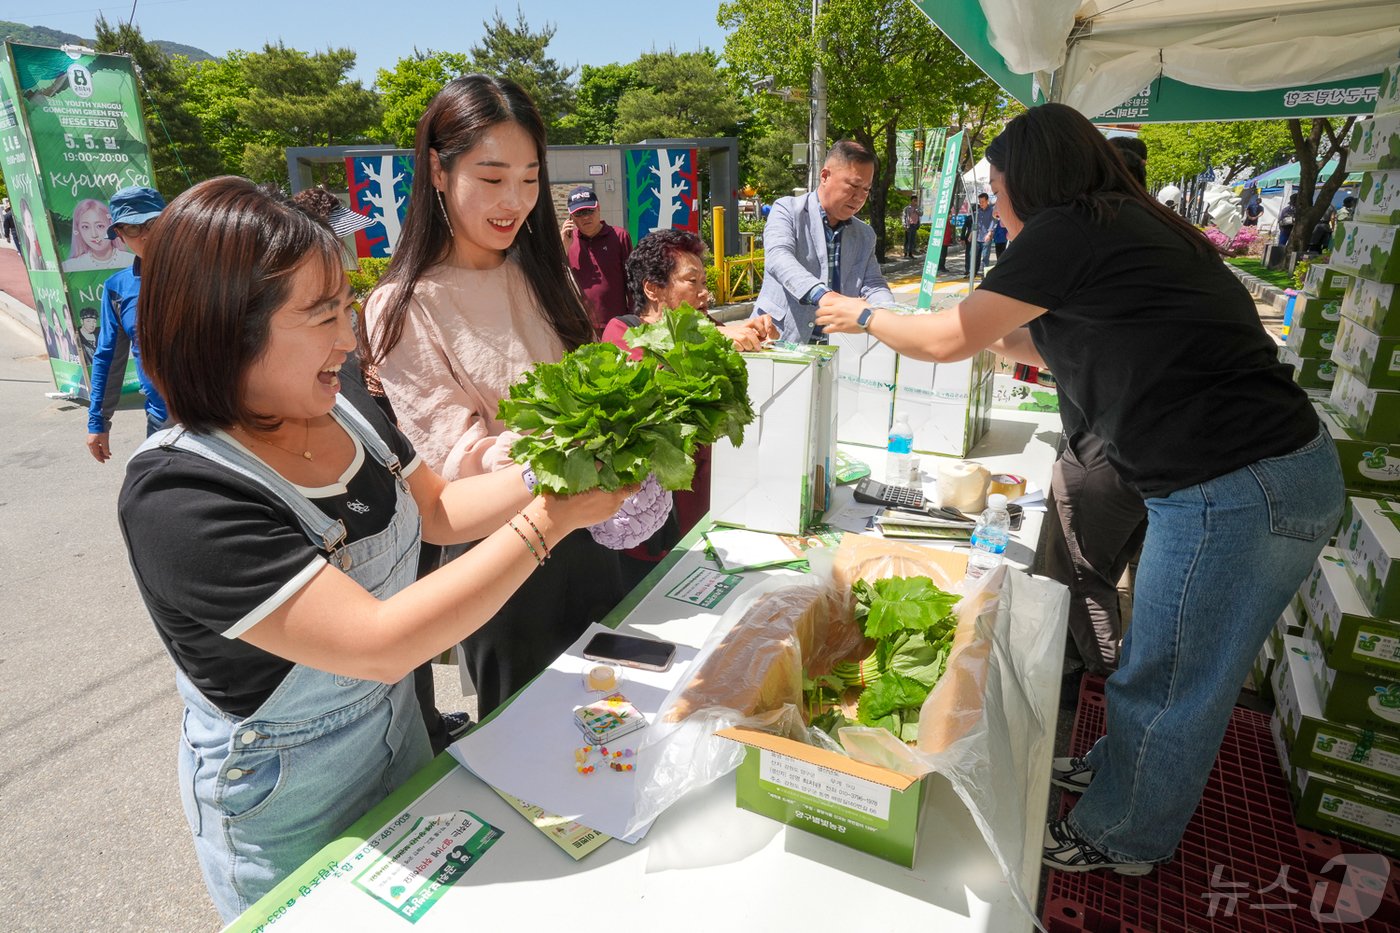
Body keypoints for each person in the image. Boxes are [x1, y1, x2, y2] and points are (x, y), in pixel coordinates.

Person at [817, 102, 1343, 876]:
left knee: (1173, 680)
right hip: (1256, 476)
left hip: (1237, 488)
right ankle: (1117, 774)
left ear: (1031, 181)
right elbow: (1027, 335)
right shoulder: (1122, 223)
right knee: (1156, 665)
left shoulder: (1068, 229)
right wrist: (961, 328)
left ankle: (1122, 835)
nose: (993, 209)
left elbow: (949, 340)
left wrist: (863, 312)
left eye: (995, 193)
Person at [118, 176, 629, 919]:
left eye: (345, 307)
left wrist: (562, 466)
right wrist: (551, 517)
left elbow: (443, 510)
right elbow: (380, 642)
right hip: (287, 812)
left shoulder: (342, 404)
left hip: (404, 751)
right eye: (322, 313)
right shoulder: (180, 496)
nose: (348, 337)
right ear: (226, 325)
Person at [364, 75, 628, 716]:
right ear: (437, 169)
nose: (514, 200)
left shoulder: (541, 272)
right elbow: (450, 477)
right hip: (503, 564)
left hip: (594, 532)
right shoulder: (404, 305)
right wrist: (558, 454)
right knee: (531, 754)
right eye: (491, 177)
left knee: (623, 724)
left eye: (530, 177)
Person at [602, 229, 777, 588]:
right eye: (691, 281)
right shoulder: (622, 331)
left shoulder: (704, 326)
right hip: (655, 520)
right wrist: (714, 337)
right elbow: (651, 385)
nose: (705, 292)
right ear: (653, 289)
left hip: (712, 502)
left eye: (705, 281)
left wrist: (752, 329)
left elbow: (727, 336)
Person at [750, 140, 894, 344]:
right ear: (825, 176)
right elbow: (778, 257)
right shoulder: (787, 210)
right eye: (853, 186)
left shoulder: (865, 234)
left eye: (866, 189)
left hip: (838, 346)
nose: (859, 197)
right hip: (779, 339)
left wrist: (889, 312)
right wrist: (824, 295)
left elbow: (873, 284)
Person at [86, 186, 170, 462]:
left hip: (226, 420)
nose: (145, 234)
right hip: (163, 423)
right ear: (119, 235)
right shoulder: (118, 288)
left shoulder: (209, 273)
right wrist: (98, 421)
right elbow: (108, 358)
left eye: (152, 223)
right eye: (132, 228)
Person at [561, 184, 632, 333]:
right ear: (571, 217)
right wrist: (564, 249)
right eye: (579, 213)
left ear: (598, 208)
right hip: (580, 326)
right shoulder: (567, 242)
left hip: (617, 324)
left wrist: (633, 319)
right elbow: (557, 282)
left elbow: (631, 282)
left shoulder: (619, 236)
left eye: (589, 211)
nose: (586, 217)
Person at [63, 198, 133, 271]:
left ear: (112, 226)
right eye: (85, 227)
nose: (94, 234)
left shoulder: (132, 262)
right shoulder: (70, 267)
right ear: (78, 230)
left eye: (100, 226)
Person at [967, 192, 995, 276]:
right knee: (973, 255)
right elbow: (975, 224)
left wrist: (989, 233)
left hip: (986, 237)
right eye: (980, 202)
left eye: (982, 201)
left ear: (987, 201)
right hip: (977, 237)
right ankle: (972, 273)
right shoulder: (978, 211)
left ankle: (984, 273)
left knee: (985, 257)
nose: (981, 203)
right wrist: (971, 234)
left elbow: (994, 222)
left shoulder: (992, 210)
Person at [18, 198, 46, 270]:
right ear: (25, 228)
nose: (32, 231)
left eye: (33, 225)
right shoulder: (31, 260)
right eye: (29, 226)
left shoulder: (44, 249)